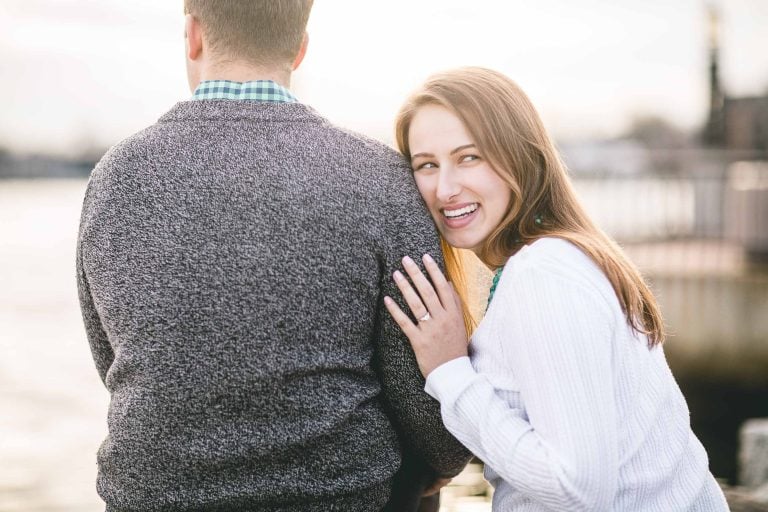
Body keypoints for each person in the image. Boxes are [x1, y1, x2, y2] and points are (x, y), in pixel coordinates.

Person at [75, 2, 469, 510]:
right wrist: (441, 464)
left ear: (193, 36)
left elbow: (112, 360)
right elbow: (426, 401)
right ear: (300, 48)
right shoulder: (383, 180)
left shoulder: (115, 177)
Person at [384, 67, 729, 511]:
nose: (445, 188)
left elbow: (577, 489)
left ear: (521, 156)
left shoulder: (544, 274)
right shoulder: (553, 258)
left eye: (469, 157)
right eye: (426, 165)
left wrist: (449, 374)